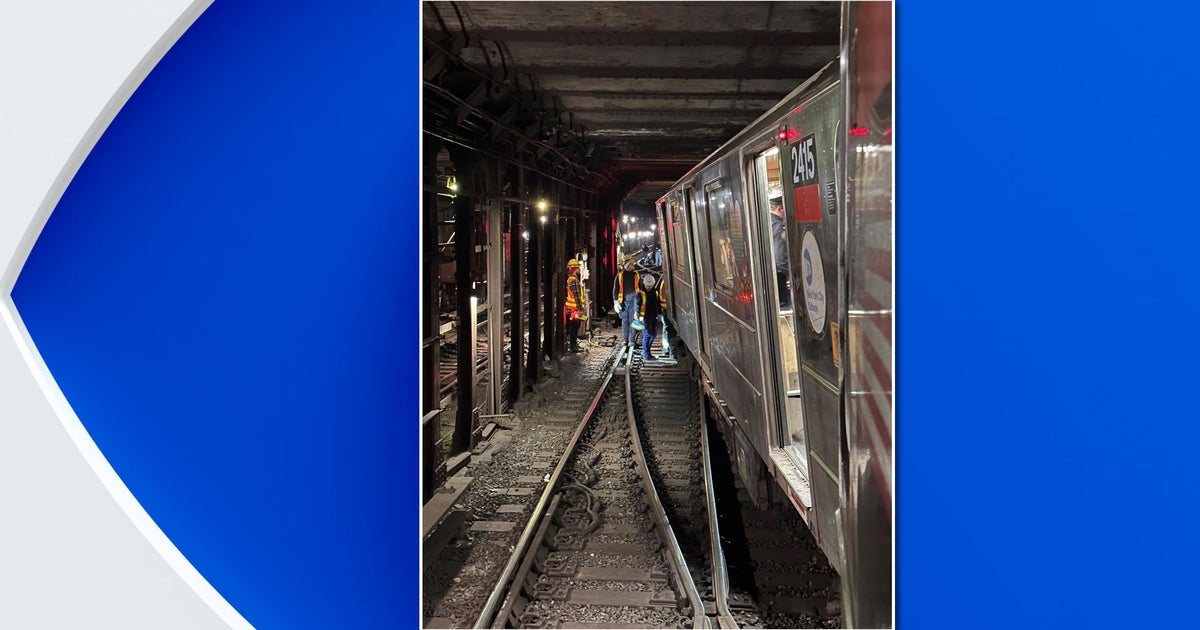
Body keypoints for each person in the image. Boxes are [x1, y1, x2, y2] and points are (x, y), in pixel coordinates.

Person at [769, 196, 793, 310]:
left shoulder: (767, 223)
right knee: (786, 309)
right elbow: (779, 257)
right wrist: (790, 274)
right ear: (779, 209)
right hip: (781, 278)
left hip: (771, 277)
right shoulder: (779, 225)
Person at [612, 255, 640, 347]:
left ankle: (631, 341)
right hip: (623, 302)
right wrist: (616, 301)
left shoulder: (636, 275)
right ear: (627, 265)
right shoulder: (620, 276)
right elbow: (615, 289)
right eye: (632, 264)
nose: (633, 266)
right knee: (625, 321)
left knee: (633, 321)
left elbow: (640, 288)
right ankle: (625, 340)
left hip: (634, 301)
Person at [638, 274, 665, 360]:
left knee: (653, 334)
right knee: (647, 334)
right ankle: (646, 354)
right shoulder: (641, 293)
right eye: (647, 286)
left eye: (650, 286)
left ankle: (647, 352)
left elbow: (657, 304)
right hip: (645, 317)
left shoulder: (654, 292)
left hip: (653, 316)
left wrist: (659, 313)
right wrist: (639, 316)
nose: (649, 288)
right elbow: (637, 305)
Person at [565, 258, 587, 352]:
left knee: (573, 327)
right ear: (574, 269)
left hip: (572, 309)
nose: (579, 269)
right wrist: (580, 309)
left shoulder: (570, 280)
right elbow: (577, 296)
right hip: (574, 309)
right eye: (577, 267)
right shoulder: (573, 281)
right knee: (574, 328)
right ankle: (573, 346)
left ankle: (573, 345)